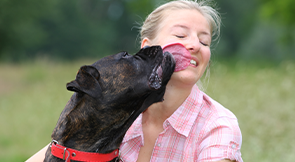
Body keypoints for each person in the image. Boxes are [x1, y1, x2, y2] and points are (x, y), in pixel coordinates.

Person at [26, 0, 243, 161]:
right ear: (148, 48)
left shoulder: (218, 125)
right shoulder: (121, 106)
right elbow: (61, 149)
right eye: (180, 36)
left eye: (204, 41)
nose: (195, 45)